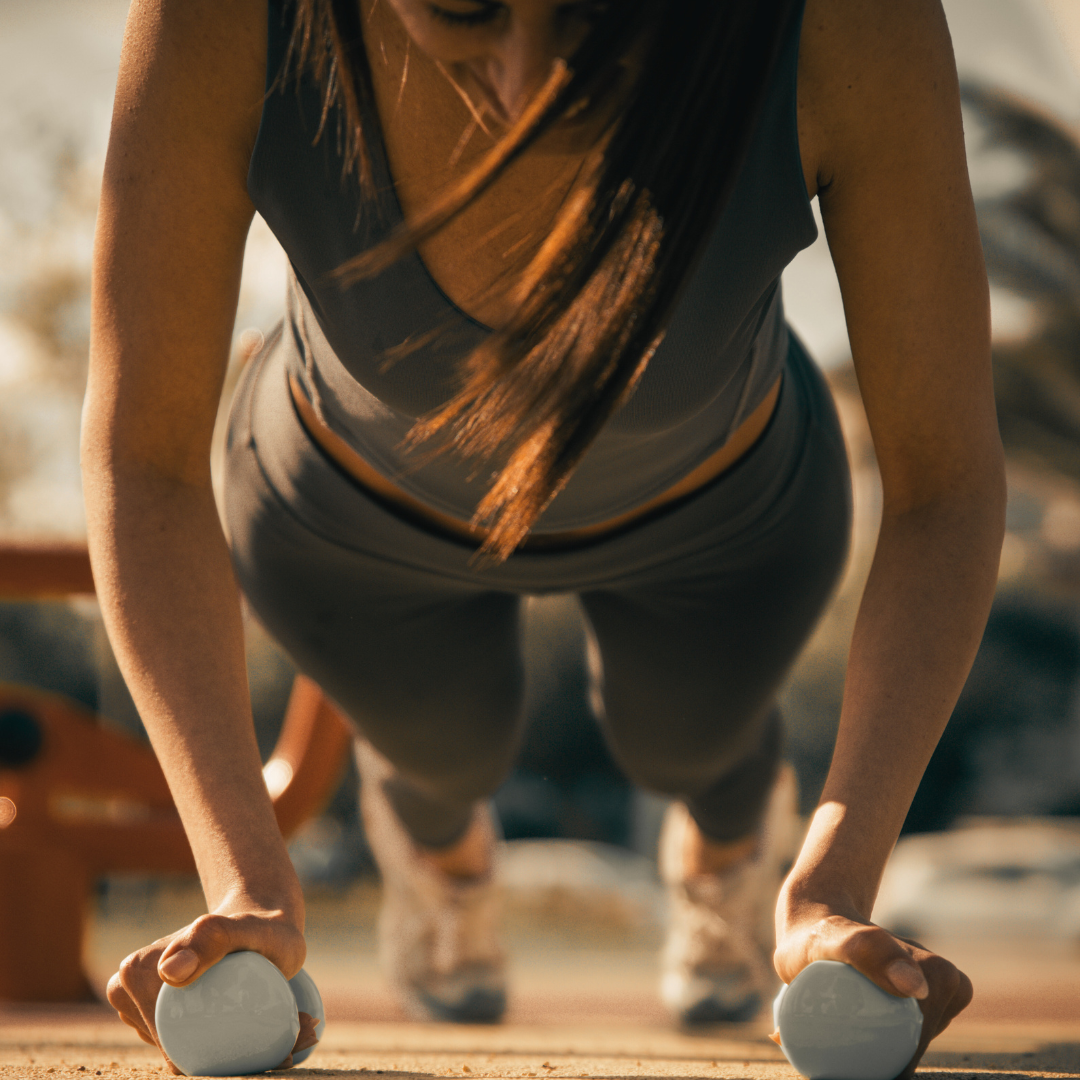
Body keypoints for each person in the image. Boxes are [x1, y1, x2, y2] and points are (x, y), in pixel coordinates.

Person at [86, 0, 999, 1071]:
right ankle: (439, 848)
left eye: (594, 19)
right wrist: (247, 877)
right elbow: (141, 458)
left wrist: (837, 882)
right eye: (463, 11)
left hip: (727, 514)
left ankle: (731, 832)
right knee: (446, 744)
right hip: (344, 519)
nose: (526, 90)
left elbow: (943, 479)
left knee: (685, 738)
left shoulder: (850, 24)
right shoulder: (224, 18)